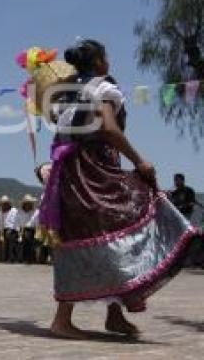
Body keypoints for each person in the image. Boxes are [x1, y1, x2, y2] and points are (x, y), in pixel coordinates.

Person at [42, 39, 199, 339]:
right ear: (99, 61)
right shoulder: (103, 87)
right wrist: (140, 161)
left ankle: (114, 313)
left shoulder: (65, 94)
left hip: (70, 174)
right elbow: (109, 129)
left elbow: (61, 128)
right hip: (95, 170)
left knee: (90, 236)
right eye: (107, 54)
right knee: (130, 218)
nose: (109, 60)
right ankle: (64, 320)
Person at [15, 195, 39, 264]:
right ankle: (21, 257)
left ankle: (29, 258)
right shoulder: (19, 212)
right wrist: (18, 232)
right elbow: (17, 223)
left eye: (29, 203)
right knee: (19, 238)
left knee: (28, 236)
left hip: (32, 230)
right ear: (24, 204)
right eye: (26, 203)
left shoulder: (36, 212)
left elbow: (37, 224)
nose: (28, 205)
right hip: (21, 229)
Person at [0, 195, 19, 263]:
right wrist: (1, 233)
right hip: (5, 230)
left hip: (13, 229)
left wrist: (10, 230)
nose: (3, 206)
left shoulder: (14, 210)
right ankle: (6, 257)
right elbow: (1, 224)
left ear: (8, 204)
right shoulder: (2, 212)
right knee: (5, 240)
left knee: (10, 238)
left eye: (5, 204)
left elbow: (14, 222)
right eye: (2, 204)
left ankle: (11, 258)